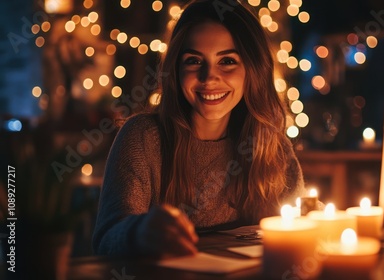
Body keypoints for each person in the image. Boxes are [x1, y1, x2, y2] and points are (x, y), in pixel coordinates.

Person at [92, 0, 307, 258]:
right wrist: (139, 232)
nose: (209, 78)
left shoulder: (272, 146)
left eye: (227, 60)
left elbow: (302, 231)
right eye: (194, 60)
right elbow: (106, 239)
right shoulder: (143, 139)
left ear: (253, 70)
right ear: (176, 69)